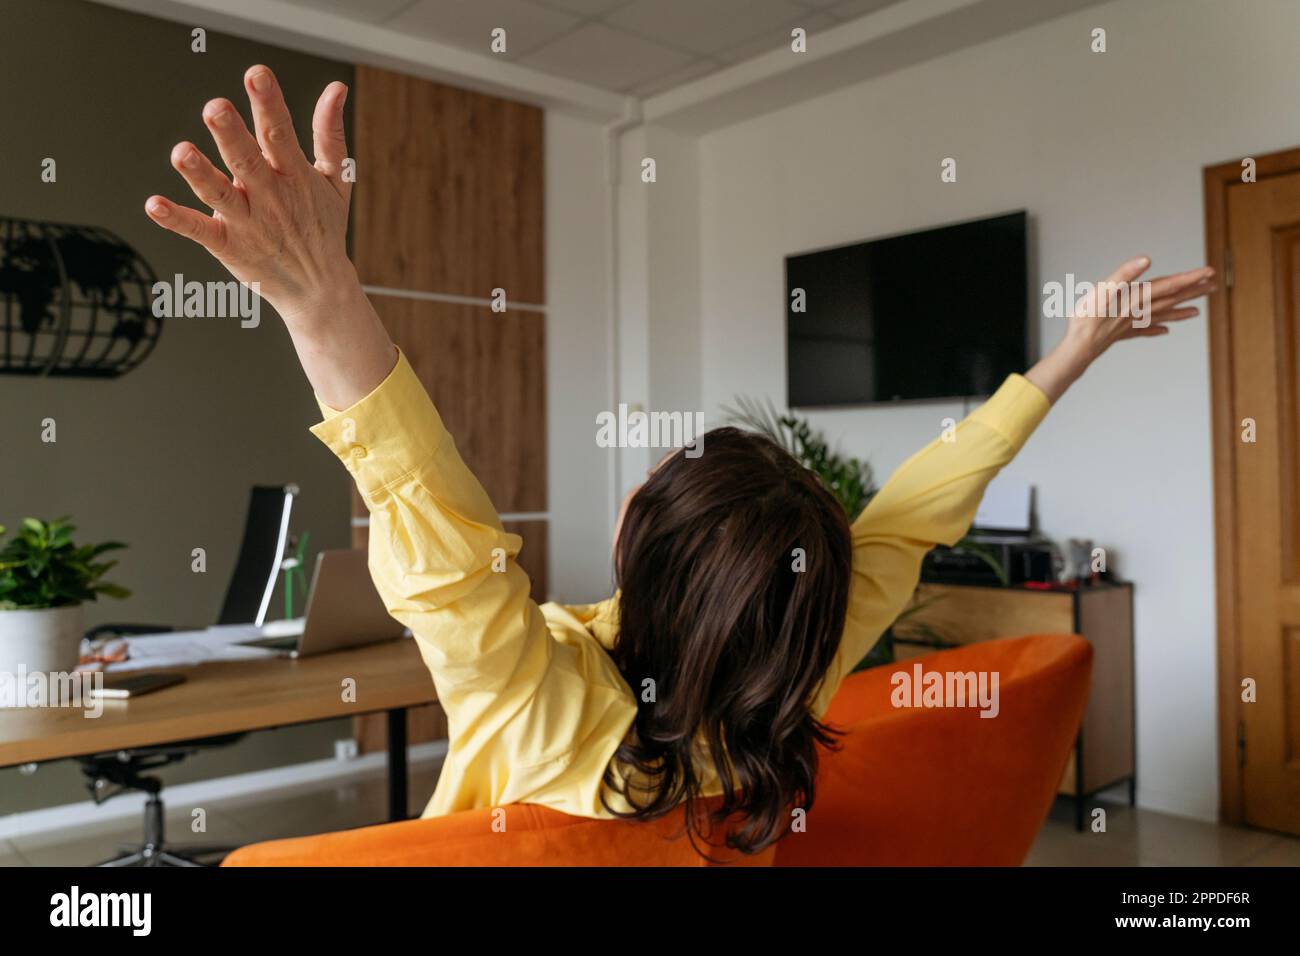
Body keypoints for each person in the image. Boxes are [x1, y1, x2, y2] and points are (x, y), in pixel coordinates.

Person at [146, 66, 1214, 855]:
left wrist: (320, 297)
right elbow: (920, 509)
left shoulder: (541, 696)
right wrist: (1070, 351)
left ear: (629, 531)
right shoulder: (800, 654)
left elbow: (442, 536)